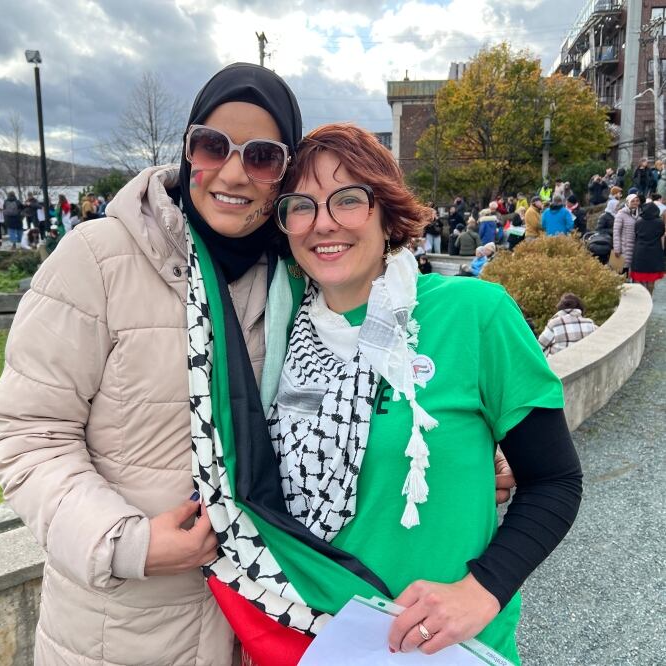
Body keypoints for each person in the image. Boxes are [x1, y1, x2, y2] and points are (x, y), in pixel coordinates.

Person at [202, 123, 581, 665]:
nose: (324, 223)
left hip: (446, 648)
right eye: (301, 206)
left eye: (348, 199)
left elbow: (555, 481)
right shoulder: (273, 336)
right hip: (308, 642)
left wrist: (482, 591)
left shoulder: (473, 314)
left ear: (386, 211)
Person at [0, 62, 305, 666]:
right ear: (189, 152)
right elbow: (29, 434)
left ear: (283, 175)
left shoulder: (294, 282)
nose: (234, 172)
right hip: (123, 632)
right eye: (213, 145)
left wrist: (466, 453)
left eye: (262, 156)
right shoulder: (98, 260)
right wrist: (128, 544)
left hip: (258, 621)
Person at [630, 201, 666, 294]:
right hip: (654, 252)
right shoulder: (659, 222)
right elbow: (661, 233)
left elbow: (636, 233)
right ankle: (649, 296)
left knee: (640, 277)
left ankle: (642, 297)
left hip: (640, 252)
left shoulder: (639, 222)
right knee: (651, 279)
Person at [613, 193, 639, 274]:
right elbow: (616, 232)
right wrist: (617, 248)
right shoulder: (621, 214)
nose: (635, 202)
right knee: (620, 273)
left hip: (633, 249)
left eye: (637, 201)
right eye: (632, 201)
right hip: (622, 249)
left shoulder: (638, 214)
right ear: (627, 202)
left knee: (628, 273)